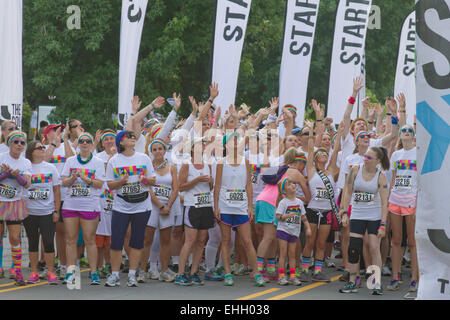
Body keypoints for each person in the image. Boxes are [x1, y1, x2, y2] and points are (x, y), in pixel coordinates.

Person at [104, 130, 156, 287]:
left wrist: (145, 179)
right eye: (129, 137)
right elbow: (109, 184)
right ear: (121, 142)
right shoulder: (114, 160)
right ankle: (114, 275)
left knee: (137, 241)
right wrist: (121, 181)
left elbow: (153, 180)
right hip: (121, 206)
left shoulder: (144, 158)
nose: (133, 139)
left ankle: (132, 274)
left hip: (142, 205)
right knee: (116, 241)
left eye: (134, 137)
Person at [214, 132, 265, 286]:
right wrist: (216, 206)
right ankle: (228, 273)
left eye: (236, 139)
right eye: (231, 140)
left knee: (247, 241)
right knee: (226, 240)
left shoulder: (246, 161)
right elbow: (217, 185)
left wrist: (250, 206)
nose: (235, 142)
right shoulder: (221, 163)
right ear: (225, 146)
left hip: (241, 206)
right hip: (225, 205)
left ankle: (257, 274)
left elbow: (249, 185)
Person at [338, 146, 390, 295]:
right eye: (365, 156)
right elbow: (347, 191)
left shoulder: (381, 176)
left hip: (374, 215)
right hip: (358, 214)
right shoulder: (355, 170)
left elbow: (385, 202)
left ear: (377, 161)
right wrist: (344, 213)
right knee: (354, 248)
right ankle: (352, 283)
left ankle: (376, 283)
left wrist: (383, 224)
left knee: (374, 247)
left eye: (369, 157)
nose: (365, 159)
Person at [61, 132, 105, 286]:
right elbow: (64, 182)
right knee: (71, 240)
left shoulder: (98, 162)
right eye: (82, 141)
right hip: (71, 205)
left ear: (91, 144)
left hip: (90, 205)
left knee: (89, 239)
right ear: (78, 144)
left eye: (88, 141)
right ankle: (70, 272)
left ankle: (93, 273)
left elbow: (100, 184)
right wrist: (73, 178)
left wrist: (87, 179)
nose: (85, 143)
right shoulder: (71, 161)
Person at [300, 121, 340, 283]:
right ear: (315, 158)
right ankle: (304, 270)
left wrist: (340, 132)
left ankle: (317, 271)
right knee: (310, 241)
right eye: (320, 153)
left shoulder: (330, 170)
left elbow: (336, 150)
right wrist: (310, 131)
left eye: (325, 153)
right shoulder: (310, 170)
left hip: (326, 212)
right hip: (312, 210)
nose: (324, 153)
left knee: (322, 243)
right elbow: (310, 149)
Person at [175, 138, 214, 286]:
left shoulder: (207, 165)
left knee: (201, 241)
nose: (202, 147)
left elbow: (209, 188)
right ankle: (180, 273)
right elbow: (180, 187)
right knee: (190, 241)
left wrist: (210, 182)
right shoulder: (187, 165)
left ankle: (194, 271)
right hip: (192, 205)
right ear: (191, 149)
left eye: (203, 145)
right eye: (199, 145)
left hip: (205, 205)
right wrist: (196, 180)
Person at [139, 138, 179, 283]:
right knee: (147, 239)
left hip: (168, 208)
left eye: (160, 149)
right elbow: (147, 188)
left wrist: (168, 205)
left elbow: (175, 188)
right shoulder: (147, 167)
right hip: (152, 207)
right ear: (151, 152)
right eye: (154, 149)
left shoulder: (172, 167)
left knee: (166, 240)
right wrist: (160, 206)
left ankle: (164, 270)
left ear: (164, 150)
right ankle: (143, 271)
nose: (157, 152)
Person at [387, 124, 419, 297]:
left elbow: (421, 179)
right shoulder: (396, 155)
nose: (407, 132)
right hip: (395, 199)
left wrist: (418, 202)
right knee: (396, 240)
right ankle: (395, 276)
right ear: (400, 135)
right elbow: (393, 179)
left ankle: (414, 278)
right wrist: (388, 201)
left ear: (413, 136)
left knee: (413, 241)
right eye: (404, 131)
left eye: (410, 131)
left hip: (411, 199)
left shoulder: (417, 153)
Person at [23, 141, 61, 284]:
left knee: (49, 242)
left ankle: (50, 272)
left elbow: (57, 190)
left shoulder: (50, 168)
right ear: (32, 151)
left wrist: (57, 210)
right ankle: (34, 272)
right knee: (32, 242)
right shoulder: (26, 167)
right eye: (40, 147)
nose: (43, 149)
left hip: (47, 212)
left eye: (43, 147)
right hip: (30, 213)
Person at [0, 131, 31, 286]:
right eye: (16, 142)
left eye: (22, 143)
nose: (19, 145)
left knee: (14, 237)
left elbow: (27, 184)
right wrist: (5, 174)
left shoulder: (25, 163)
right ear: (9, 143)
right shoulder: (2, 157)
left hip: (15, 203)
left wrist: (17, 176)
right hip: (0, 201)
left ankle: (17, 271)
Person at [275, 177, 311, 286]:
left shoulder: (299, 202)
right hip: (283, 230)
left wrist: (308, 227)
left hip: (294, 231)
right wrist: (287, 216)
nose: (292, 185)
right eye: (288, 184)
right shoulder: (283, 202)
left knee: (292, 255)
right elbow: (278, 217)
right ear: (284, 191)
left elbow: (303, 216)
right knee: (283, 254)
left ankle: (292, 276)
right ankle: (281, 276)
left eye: (292, 183)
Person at [95, 129, 117, 278]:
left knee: (111, 235)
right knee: (99, 236)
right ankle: (98, 265)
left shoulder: (121, 157)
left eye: (112, 138)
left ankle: (110, 264)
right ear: (102, 143)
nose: (109, 141)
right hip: (99, 198)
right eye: (106, 139)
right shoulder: (97, 157)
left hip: (115, 198)